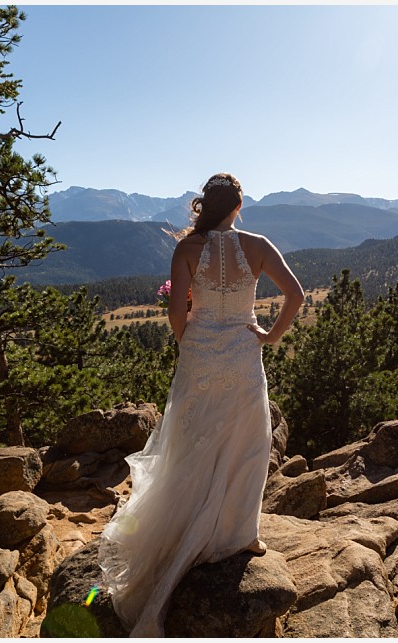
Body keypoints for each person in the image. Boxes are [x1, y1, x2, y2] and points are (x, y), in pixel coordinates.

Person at [97, 172, 304, 636]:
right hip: (245, 352)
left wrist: (189, 344)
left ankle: (183, 528)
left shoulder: (187, 249)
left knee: (192, 440)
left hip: (201, 354)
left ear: (204, 206)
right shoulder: (258, 243)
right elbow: (296, 294)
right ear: (238, 205)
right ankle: (242, 535)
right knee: (248, 440)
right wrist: (270, 336)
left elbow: (176, 312)